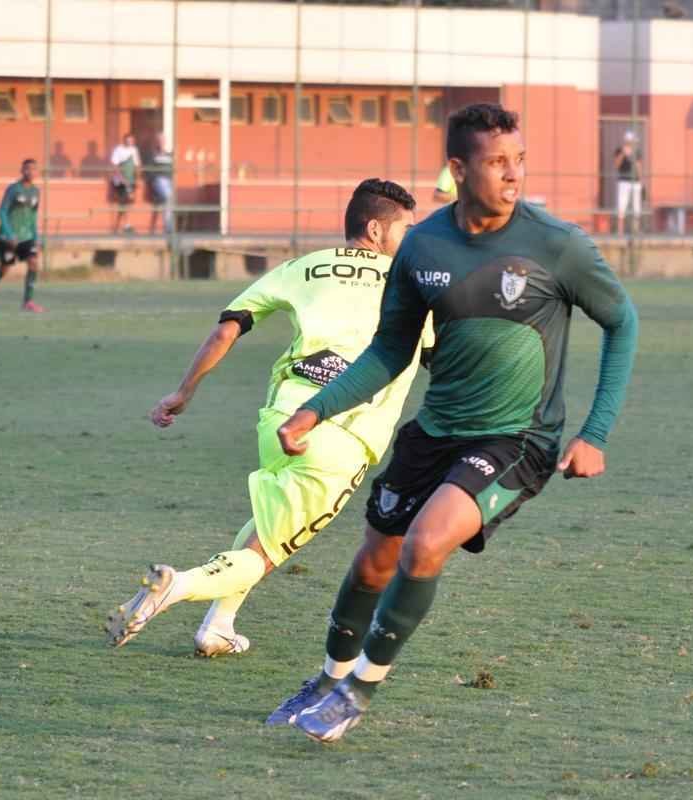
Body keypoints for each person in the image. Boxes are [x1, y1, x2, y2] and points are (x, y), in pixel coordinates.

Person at [269, 103, 639, 742]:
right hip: (435, 432)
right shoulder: (423, 245)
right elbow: (390, 349)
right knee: (372, 564)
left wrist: (595, 433)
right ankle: (328, 679)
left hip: (517, 440)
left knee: (425, 543)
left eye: (519, 159)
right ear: (459, 168)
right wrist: (316, 407)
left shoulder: (558, 244)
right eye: (497, 162)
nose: (513, 174)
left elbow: (622, 322)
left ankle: (357, 692)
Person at [104, 179, 430, 658]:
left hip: (282, 417)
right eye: (407, 229)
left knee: (267, 522)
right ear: (377, 229)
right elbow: (444, 358)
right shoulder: (411, 286)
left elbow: (228, 327)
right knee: (266, 553)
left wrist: (184, 391)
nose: (413, 240)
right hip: (342, 434)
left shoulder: (303, 266)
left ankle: (218, 626)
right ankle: (176, 586)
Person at [0, 158, 45, 313]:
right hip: (8, 238)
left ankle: (28, 301)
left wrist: (36, 238)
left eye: (33, 169)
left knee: (33, 262)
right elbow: (2, 212)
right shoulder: (13, 189)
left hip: (27, 237)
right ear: (22, 171)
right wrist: (9, 234)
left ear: (37, 172)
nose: (30, 172)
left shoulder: (36, 192)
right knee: (4, 269)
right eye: (27, 169)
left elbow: (33, 216)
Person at [110, 133, 141, 234]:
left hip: (131, 180)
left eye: (132, 141)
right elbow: (114, 165)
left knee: (125, 203)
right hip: (120, 181)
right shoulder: (118, 149)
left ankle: (119, 227)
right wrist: (121, 178)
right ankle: (126, 226)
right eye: (128, 141)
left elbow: (137, 165)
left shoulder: (134, 150)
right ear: (124, 140)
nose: (130, 143)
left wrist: (137, 178)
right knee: (125, 200)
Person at [614, 132, 642, 233]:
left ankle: (636, 230)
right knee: (622, 205)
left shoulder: (637, 151)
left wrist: (633, 157)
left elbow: (639, 167)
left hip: (635, 182)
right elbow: (616, 165)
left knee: (636, 206)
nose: (634, 143)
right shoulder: (619, 150)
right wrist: (623, 153)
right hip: (624, 181)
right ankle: (620, 231)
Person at [148, 131, 174, 234]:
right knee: (168, 198)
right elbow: (149, 170)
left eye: (163, 140)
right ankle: (168, 228)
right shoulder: (154, 155)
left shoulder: (169, 155)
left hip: (168, 182)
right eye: (159, 140)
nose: (161, 142)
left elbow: (173, 169)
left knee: (165, 204)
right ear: (156, 142)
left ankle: (157, 229)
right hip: (158, 180)